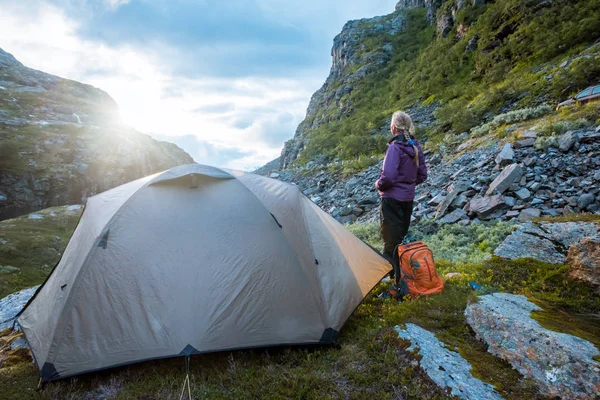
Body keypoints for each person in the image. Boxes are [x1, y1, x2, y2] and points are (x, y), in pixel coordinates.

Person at [375, 111, 427, 263]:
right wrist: (407, 185)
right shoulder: (415, 147)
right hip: (407, 199)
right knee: (400, 239)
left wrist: (379, 184)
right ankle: (402, 276)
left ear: (393, 127)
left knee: (390, 242)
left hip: (391, 200)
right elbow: (422, 175)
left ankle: (392, 278)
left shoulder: (395, 147)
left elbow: (389, 176)